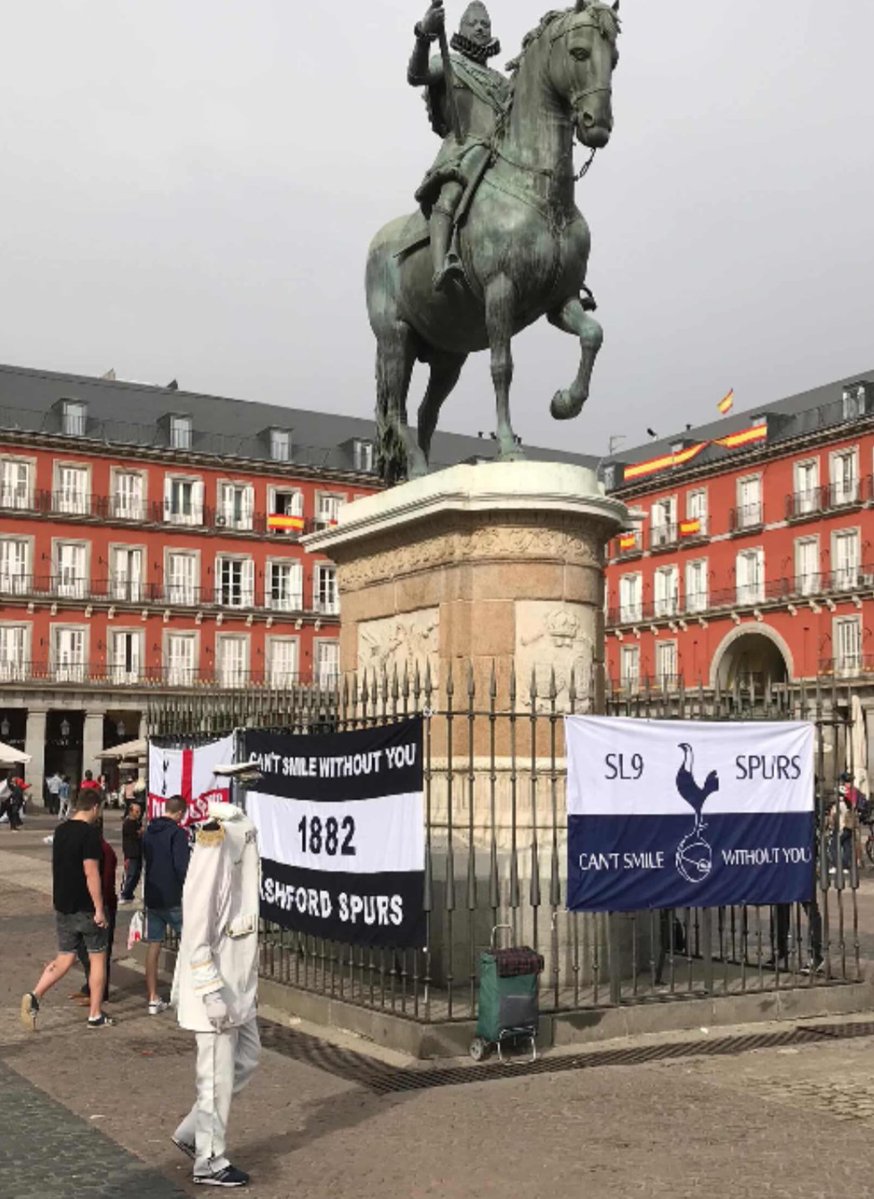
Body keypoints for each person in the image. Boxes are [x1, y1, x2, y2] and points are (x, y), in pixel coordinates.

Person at [171, 802, 260, 1188]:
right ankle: (208, 1159)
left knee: (247, 1060)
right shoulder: (214, 846)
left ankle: (193, 1132)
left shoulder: (236, 841)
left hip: (237, 985)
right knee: (215, 1079)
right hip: (217, 990)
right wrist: (210, 992)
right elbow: (197, 932)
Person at [408, 1, 509, 290]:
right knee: (451, 194)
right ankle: (440, 266)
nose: (480, 28)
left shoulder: (501, 83)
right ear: (461, 28)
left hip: (498, 158)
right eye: (473, 23)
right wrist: (424, 35)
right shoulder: (449, 63)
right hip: (462, 152)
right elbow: (416, 75)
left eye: (485, 24)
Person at [20, 789, 114, 1029]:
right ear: (95, 807)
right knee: (97, 959)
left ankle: (35, 995)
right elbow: (90, 872)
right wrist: (99, 908)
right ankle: (95, 1013)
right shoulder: (90, 834)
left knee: (65, 958)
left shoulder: (61, 831)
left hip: (63, 904)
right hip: (85, 905)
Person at [143, 795, 191, 1015]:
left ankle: (152, 997)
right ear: (180, 813)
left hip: (153, 895)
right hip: (173, 896)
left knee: (154, 944)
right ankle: (187, 994)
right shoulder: (178, 834)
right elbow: (182, 867)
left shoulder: (149, 831)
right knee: (190, 942)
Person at [73, 815, 118, 1004]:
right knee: (84, 949)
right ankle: (89, 985)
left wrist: (101, 905)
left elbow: (105, 882)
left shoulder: (103, 850)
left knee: (99, 951)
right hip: (87, 905)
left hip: (101, 905)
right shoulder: (90, 847)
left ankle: (100, 992)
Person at [119, 800, 144, 903]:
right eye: (136, 811)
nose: (138, 813)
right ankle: (125, 894)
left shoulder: (137, 822)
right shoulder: (128, 823)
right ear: (131, 811)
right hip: (131, 852)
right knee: (131, 874)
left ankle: (129, 894)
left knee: (137, 874)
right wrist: (141, 832)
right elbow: (134, 835)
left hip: (138, 851)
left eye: (139, 811)